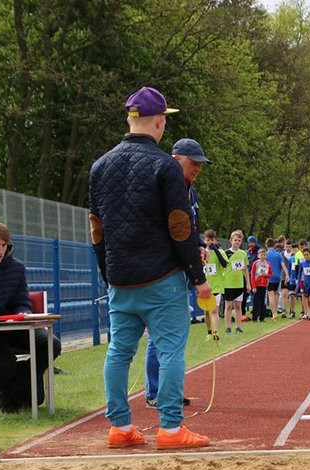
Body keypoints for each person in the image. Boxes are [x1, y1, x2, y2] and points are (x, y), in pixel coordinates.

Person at [88, 86, 210, 449]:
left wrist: (109, 274)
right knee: (170, 350)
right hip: (162, 279)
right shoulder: (165, 166)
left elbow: (97, 228)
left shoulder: (99, 167)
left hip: (120, 280)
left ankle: (120, 426)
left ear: (130, 119)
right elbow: (180, 227)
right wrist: (197, 276)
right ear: (159, 122)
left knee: (118, 352)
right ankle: (170, 428)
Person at [144, 137, 211, 409]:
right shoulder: (162, 187)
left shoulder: (190, 191)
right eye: (193, 162)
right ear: (176, 159)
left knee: (175, 333)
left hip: (180, 269)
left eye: (200, 164)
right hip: (163, 270)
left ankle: (168, 390)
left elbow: (191, 226)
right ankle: (156, 391)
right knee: (160, 332)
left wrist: (200, 245)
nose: (198, 168)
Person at [0, 221, 62, 413]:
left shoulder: (17, 268)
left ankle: (3, 392)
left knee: (52, 344)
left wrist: (25, 313)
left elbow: (23, 299)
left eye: (3, 245)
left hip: (14, 327)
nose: (0, 250)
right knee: (4, 363)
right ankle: (5, 395)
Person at [223, 230, 250, 333]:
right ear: (231, 241)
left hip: (239, 284)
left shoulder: (243, 253)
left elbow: (245, 269)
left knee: (238, 306)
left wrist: (248, 283)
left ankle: (238, 327)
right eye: (235, 240)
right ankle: (228, 327)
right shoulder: (226, 253)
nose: (237, 242)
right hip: (228, 283)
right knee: (228, 306)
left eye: (239, 240)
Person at [202, 228, 228, 341]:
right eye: (208, 240)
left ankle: (215, 332)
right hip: (205, 285)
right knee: (207, 311)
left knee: (214, 310)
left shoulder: (220, 252)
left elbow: (224, 264)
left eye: (212, 240)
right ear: (204, 240)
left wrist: (216, 250)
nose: (210, 242)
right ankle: (209, 331)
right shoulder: (202, 252)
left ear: (215, 240)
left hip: (216, 286)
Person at [265, 238, 288, 321]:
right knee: (276, 294)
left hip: (269, 277)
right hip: (277, 277)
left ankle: (274, 314)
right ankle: (276, 311)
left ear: (266, 245)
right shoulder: (278, 255)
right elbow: (283, 266)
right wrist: (287, 275)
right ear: (274, 245)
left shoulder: (265, 255)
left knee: (271, 295)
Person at [249, 248, 271, 322]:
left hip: (264, 285)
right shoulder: (255, 263)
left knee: (263, 302)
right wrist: (253, 286)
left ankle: (262, 318)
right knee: (256, 302)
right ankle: (254, 318)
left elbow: (270, 274)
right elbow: (252, 275)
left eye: (264, 255)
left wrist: (266, 275)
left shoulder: (268, 264)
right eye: (261, 255)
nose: (263, 256)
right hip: (257, 285)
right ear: (258, 255)